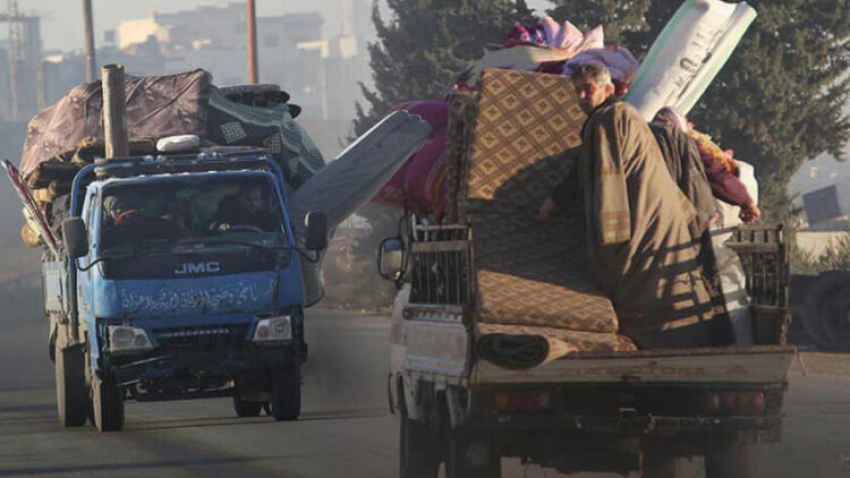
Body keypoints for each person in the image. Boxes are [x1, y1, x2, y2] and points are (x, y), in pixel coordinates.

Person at [538, 63, 719, 349]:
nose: (583, 96)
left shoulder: (607, 121)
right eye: (578, 91)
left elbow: (593, 174)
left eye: (589, 89)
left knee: (636, 275)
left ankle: (650, 339)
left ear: (608, 90)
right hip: (662, 217)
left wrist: (557, 202)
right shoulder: (627, 117)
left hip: (642, 219)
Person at [653, 106, 760, 224]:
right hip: (674, 214)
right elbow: (718, 175)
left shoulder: (647, 137)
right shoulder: (690, 145)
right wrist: (747, 202)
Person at [211, 185, 277, 232]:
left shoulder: (267, 218)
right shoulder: (228, 213)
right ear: (240, 200)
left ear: (261, 201)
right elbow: (212, 226)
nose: (253, 203)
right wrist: (220, 226)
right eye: (248, 199)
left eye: (256, 199)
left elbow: (273, 235)